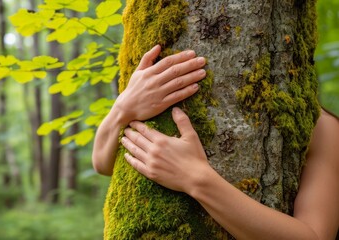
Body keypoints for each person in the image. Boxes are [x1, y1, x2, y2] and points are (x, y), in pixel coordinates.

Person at [92, 45, 339, 239]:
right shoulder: (157, 95)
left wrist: (196, 178)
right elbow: (103, 163)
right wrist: (123, 109)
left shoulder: (321, 125)